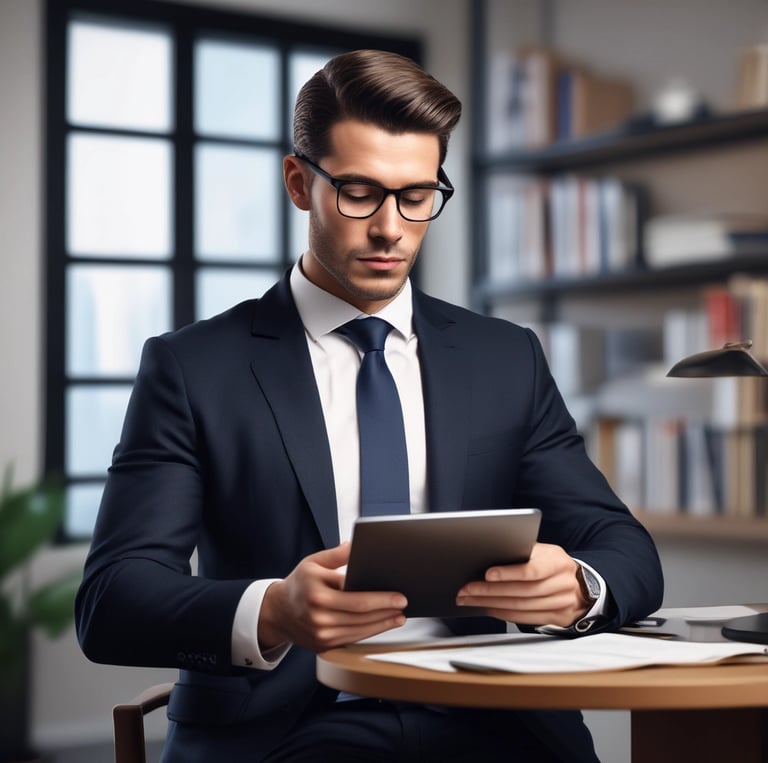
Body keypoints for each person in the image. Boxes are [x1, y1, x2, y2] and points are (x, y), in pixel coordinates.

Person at [75, 49, 663, 762]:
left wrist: (578, 584)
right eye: (359, 192)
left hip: (494, 720)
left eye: (417, 195)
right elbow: (111, 599)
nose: (391, 227)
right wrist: (274, 608)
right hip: (284, 733)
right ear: (299, 182)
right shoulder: (194, 367)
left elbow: (626, 549)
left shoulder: (505, 356)